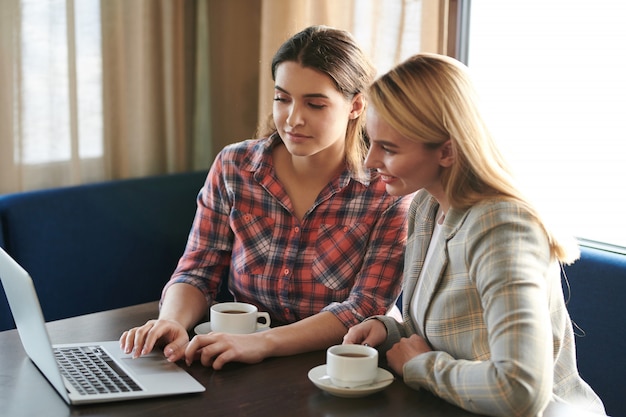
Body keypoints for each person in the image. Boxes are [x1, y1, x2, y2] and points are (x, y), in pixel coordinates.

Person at [120, 26, 410, 370]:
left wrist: (262, 343)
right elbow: (199, 268)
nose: (293, 119)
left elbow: (365, 306)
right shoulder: (235, 166)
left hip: (344, 367)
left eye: (315, 104)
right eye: (282, 98)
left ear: (355, 106)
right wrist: (172, 320)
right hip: (244, 352)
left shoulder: (386, 188)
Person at [343, 53, 606, 417]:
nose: (371, 161)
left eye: (389, 148)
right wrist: (390, 331)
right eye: (372, 142)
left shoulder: (504, 228)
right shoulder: (426, 206)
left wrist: (420, 367)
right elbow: (453, 333)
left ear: (447, 151)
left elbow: (520, 390)